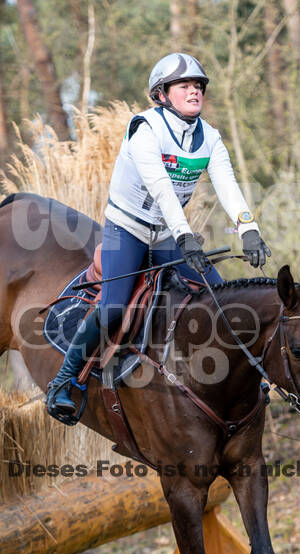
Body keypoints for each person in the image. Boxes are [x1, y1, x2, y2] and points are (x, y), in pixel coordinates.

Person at [46, 52, 271, 417]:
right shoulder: (145, 129)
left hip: (167, 233)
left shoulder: (209, 138)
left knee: (219, 297)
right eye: (185, 86)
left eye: (198, 86)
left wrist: (249, 229)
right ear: (162, 94)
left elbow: (228, 185)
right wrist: (185, 237)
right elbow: (162, 188)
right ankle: (64, 380)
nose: (195, 91)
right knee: (115, 305)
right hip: (127, 229)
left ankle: (247, 378)